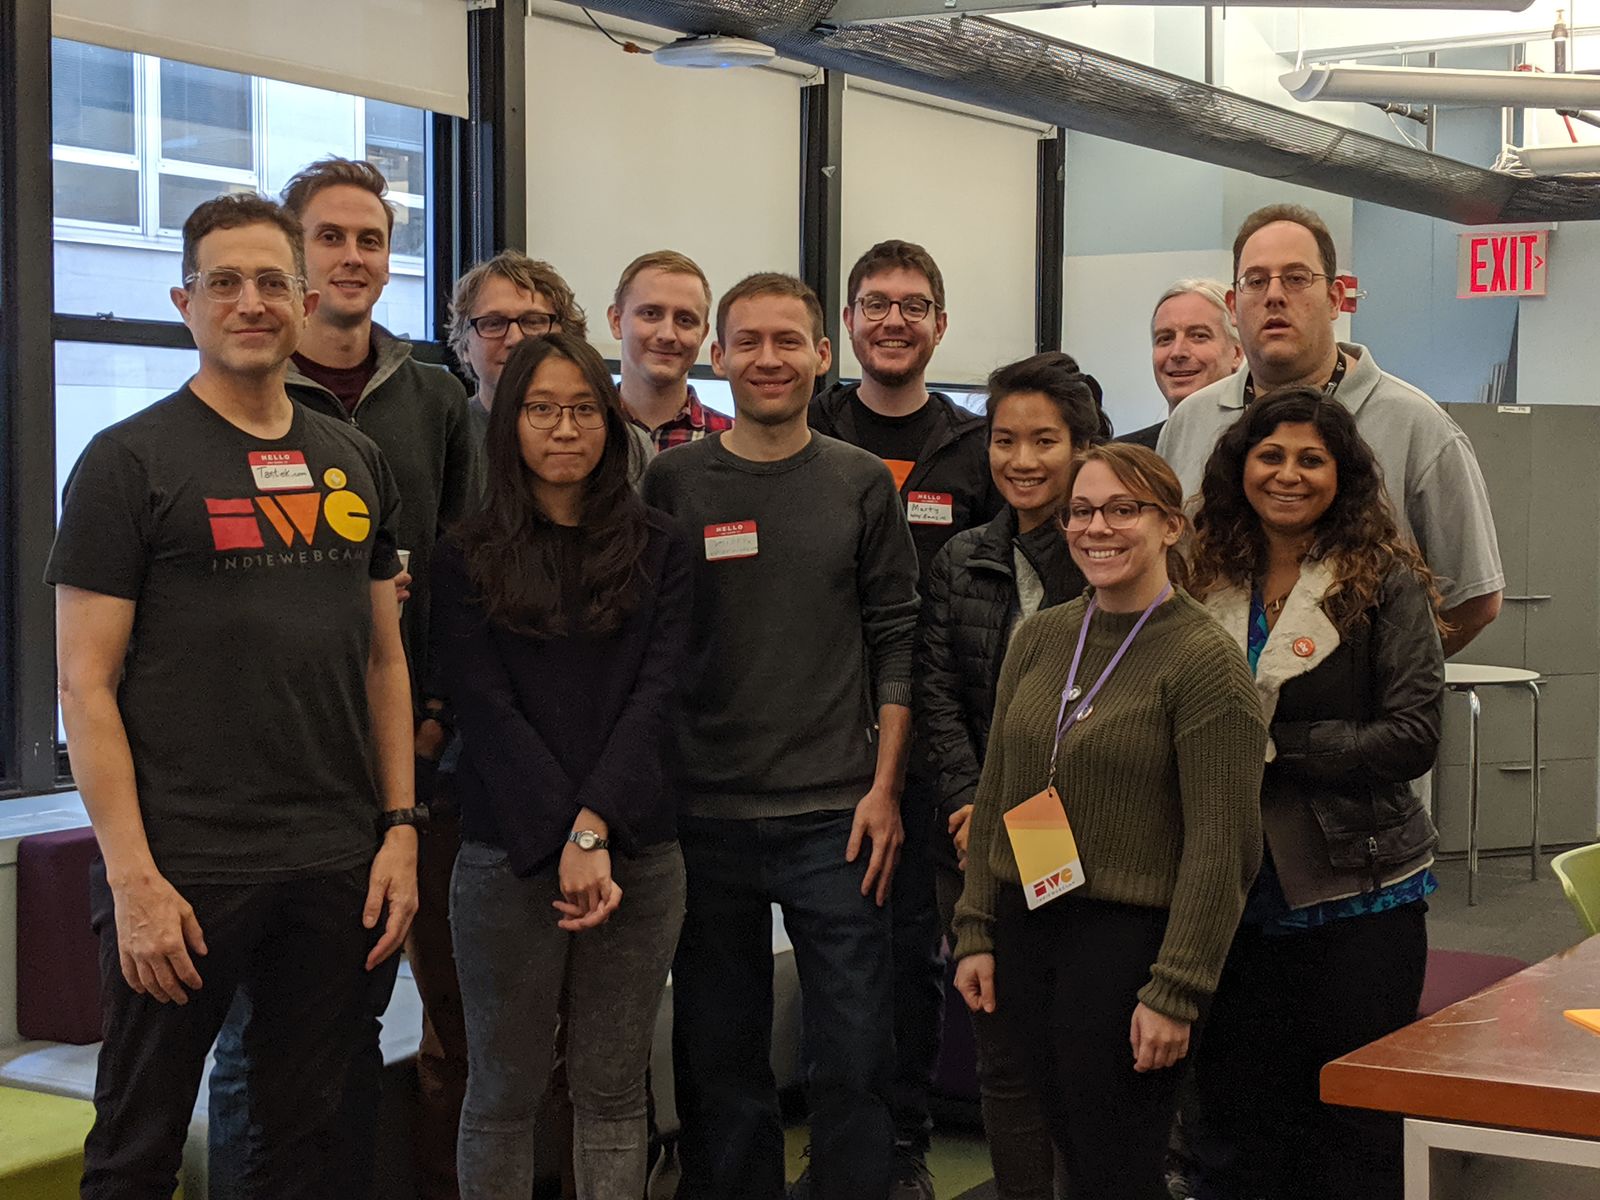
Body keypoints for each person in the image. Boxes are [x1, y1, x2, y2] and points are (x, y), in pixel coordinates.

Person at [51, 193, 418, 1199]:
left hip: (336, 860)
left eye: (269, 282)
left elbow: (385, 661)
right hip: (184, 869)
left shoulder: (353, 458)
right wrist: (131, 881)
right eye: (224, 281)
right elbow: (83, 685)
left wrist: (397, 827)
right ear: (185, 300)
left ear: (302, 303)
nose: (248, 302)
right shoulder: (129, 462)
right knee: (136, 1151)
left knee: (303, 1148)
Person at [205, 155, 478, 1200]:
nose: (353, 257)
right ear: (292, 259)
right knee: (260, 1045)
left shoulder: (438, 401)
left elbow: (464, 580)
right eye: (330, 238)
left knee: (356, 1032)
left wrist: (431, 725)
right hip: (274, 778)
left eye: (371, 239)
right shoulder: (227, 402)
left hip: (408, 773)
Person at [642, 272, 920, 1200]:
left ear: (821, 355)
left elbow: (895, 638)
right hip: (705, 815)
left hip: (835, 818)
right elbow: (648, 640)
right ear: (717, 358)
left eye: (788, 341)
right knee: (720, 1061)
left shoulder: (857, 483)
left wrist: (884, 790)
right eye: (748, 342)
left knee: (851, 1054)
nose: (769, 359)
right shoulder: (672, 481)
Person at [952, 443, 1266, 1200]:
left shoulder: (1204, 661)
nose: (1100, 528)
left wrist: (1177, 990)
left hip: (1129, 946)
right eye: (1083, 511)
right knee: (1069, 1143)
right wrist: (975, 927)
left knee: (1116, 1164)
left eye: (1124, 510)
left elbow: (1223, 849)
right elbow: (999, 789)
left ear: (1169, 526)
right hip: (1031, 922)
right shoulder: (1044, 636)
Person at [432, 331, 692, 1199]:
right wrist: (568, 836)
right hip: (506, 852)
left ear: (611, 423)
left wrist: (595, 827)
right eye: (541, 409)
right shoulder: (463, 555)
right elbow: (486, 710)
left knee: (613, 1089)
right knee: (502, 1092)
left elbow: (658, 698)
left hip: (639, 853)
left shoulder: (663, 546)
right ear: (510, 424)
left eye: (583, 408)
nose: (564, 428)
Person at [1186, 389, 1445, 1200]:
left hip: (1359, 891)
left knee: (1354, 1123)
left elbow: (1413, 736)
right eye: (1270, 456)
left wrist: (1275, 747)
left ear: (1344, 474)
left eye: (1311, 459)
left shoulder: (1386, 581)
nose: (1288, 475)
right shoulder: (1200, 572)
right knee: (1232, 1119)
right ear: (1240, 466)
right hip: (1228, 889)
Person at [806, 239, 1000, 1199]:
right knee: (840, 960)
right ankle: (841, 1148)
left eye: (913, 305)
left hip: (941, 744)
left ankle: (904, 1149)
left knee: (918, 951)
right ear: (847, 324)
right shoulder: (810, 423)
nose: (893, 320)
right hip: (820, 739)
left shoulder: (977, 449)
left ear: (940, 326)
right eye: (874, 304)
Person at [915, 351, 1101, 1199]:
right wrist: (970, 804)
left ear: (1081, 446)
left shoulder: (1110, 565)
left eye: (1045, 441)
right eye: (1004, 440)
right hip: (981, 841)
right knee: (1003, 1051)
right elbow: (938, 697)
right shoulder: (962, 561)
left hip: (1095, 837)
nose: (1021, 460)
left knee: (1087, 1048)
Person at [1157, 204, 1502, 656]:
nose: (1274, 296)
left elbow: (1474, 599)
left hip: (1355, 722)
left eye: (1297, 278)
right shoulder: (1190, 421)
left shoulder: (1417, 427)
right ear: (1233, 307)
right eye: (1256, 281)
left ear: (1336, 299)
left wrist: (1386, 679)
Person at [448, 251, 653, 481]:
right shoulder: (444, 440)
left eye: (533, 321)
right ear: (464, 346)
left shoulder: (627, 447)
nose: (515, 339)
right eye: (493, 324)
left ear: (566, 336)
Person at [607, 249, 732, 451]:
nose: (667, 335)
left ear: (703, 334)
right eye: (650, 314)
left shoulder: (732, 444)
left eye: (685, 320)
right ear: (616, 321)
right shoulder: (581, 433)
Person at [1119, 280, 1242, 451]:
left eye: (1199, 336)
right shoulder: (1124, 460)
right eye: (1165, 338)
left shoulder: (1262, 449)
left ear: (1237, 353)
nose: (1177, 352)